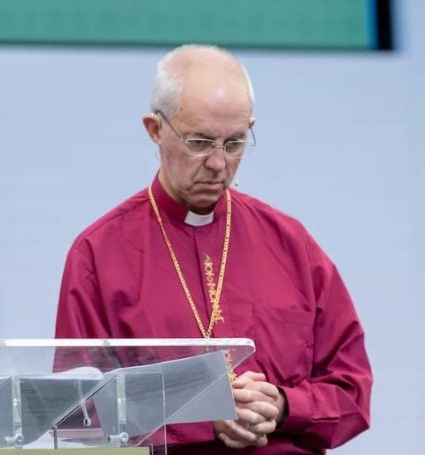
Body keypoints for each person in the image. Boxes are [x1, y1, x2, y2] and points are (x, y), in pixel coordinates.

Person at [54, 45, 371, 454]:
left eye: (235, 142)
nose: (219, 163)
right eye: (200, 142)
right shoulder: (97, 254)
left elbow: (352, 392)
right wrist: (202, 415)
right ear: (155, 129)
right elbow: (78, 417)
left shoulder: (292, 245)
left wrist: (284, 404)